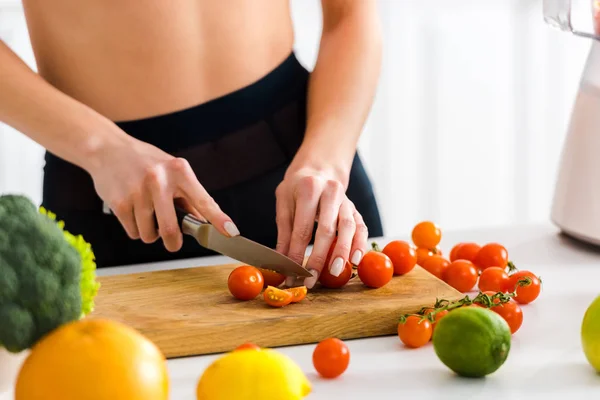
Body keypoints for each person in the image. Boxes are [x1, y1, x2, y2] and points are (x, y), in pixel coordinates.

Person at [0, 0, 383, 289]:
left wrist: (325, 162)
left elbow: (350, 15)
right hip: (112, 198)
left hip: (307, 176)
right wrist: (100, 146)